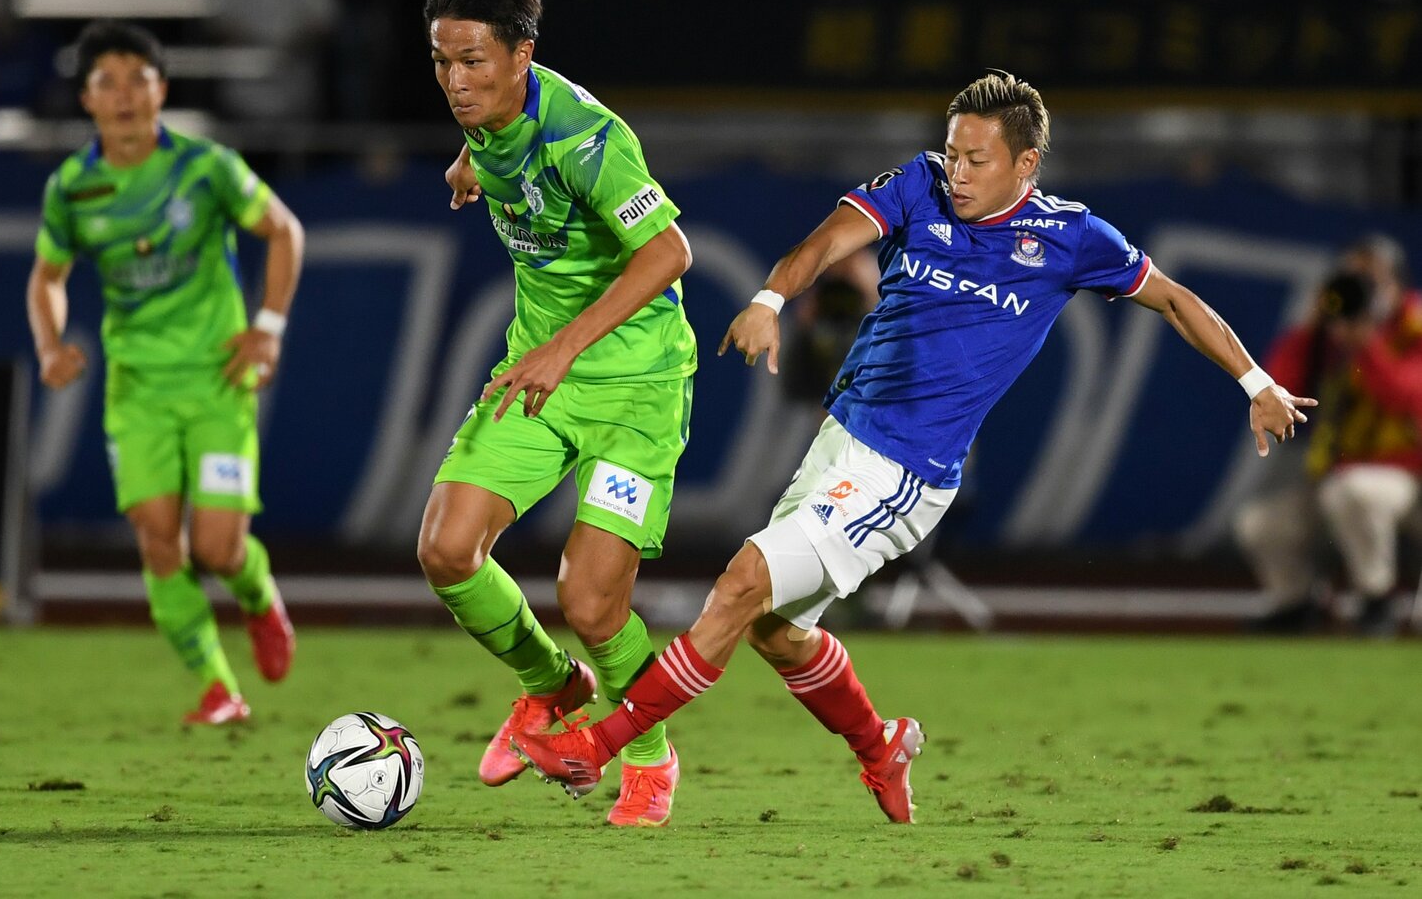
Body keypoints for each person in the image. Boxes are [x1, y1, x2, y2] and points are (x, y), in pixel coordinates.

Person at [511, 70, 1316, 823]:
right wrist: (767, 299)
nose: (957, 173)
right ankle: (881, 747)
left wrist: (1257, 384)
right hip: (840, 440)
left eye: (977, 160)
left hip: (906, 472)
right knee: (774, 631)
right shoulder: (918, 184)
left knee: (741, 584)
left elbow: (1174, 300)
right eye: (953, 152)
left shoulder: (1070, 238)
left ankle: (599, 747)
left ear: (1026, 164)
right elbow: (825, 243)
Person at [417, 0, 697, 828]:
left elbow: (670, 254)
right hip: (541, 374)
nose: (455, 82)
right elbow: (501, 142)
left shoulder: (588, 140)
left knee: (590, 601)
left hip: (634, 389)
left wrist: (562, 350)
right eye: (441, 62)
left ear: (522, 55)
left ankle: (648, 755)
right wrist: (470, 161)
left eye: (473, 62)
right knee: (447, 549)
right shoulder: (491, 118)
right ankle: (553, 683)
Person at [25, 20, 302, 725]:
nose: (124, 96)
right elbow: (47, 277)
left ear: (162, 90)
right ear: (87, 99)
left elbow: (283, 230)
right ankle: (218, 687)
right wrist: (50, 345)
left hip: (217, 381)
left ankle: (258, 596)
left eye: (138, 81)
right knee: (157, 539)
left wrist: (268, 328)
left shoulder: (206, 167)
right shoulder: (73, 188)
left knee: (218, 549)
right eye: (107, 83)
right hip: (137, 389)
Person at [1237, 235, 1422, 637]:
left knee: (1354, 491)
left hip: (1408, 478)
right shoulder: (1328, 334)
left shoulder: (1413, 325)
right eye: (1350, 278)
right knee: (1261, 524)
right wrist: (1312, 330)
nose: (1360, 289)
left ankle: (1376, 597)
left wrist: (1367, 344)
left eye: (1371, 280)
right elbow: (1277, 388)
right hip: (1339, 478)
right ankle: (1296, 604)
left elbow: (1409, 396)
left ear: (1396, 284)